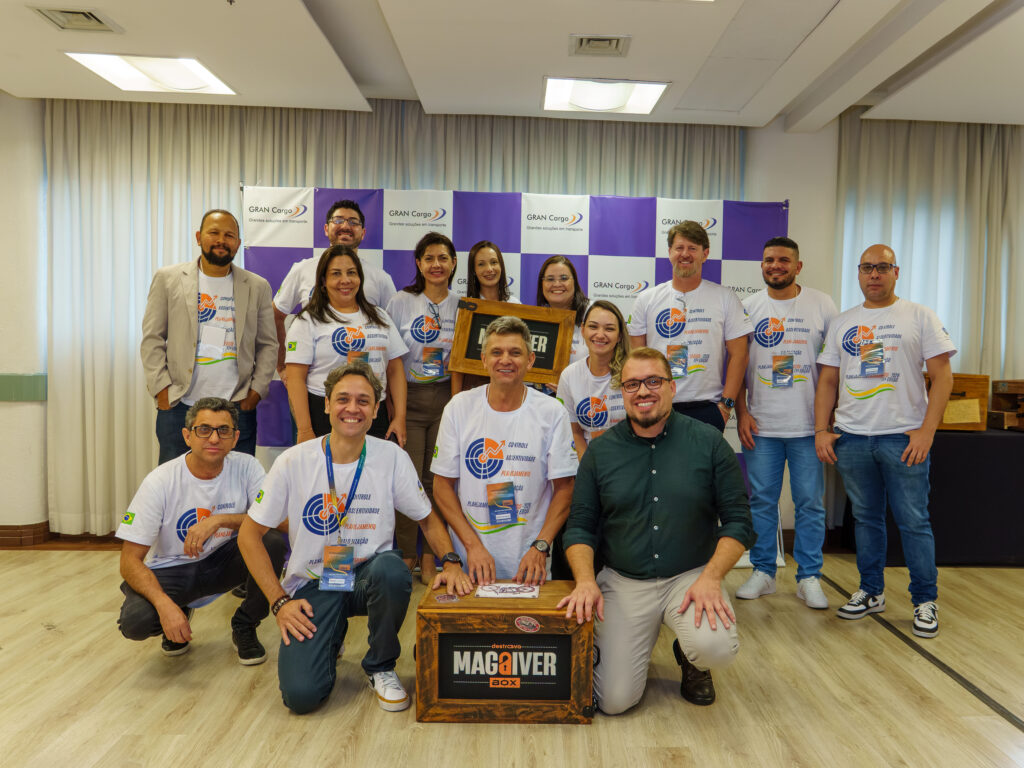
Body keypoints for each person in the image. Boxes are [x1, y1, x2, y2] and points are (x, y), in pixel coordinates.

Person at [238, 363, 473, 714]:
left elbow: (427, 519)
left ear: (376, 410)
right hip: (315, 581)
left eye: (363, 401)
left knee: (392, 570)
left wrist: (451, 562)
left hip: (367, 576)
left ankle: (381, 666)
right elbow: (249, 535)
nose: (353, 408)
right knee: (301, 697)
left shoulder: (391, 456)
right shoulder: (293, 461)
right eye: (343, 399)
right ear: (327, 405)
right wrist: (279, 602)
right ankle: (329, 639)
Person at [558, 348, 753, 714]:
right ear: (622, 392)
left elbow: (739, 520)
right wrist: (584, 581)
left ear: (671, 387)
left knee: (714, 648)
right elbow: (580, 526)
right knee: (614, 702)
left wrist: (712, 578)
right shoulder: (600, 452)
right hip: (625, 579)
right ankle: (635, 646)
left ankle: (691, 655)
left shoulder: (710, 442)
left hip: (690, 576)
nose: (643, 391)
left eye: (653, 381)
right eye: (632, 384)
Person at [815, 244, 954, 638]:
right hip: (852, 438)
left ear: (896, 272)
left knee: (914, 521)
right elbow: (827, 381)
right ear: (859, 274)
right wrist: (822, 429)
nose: (874, 274)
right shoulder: (843, 322)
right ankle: (871, 591)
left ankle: (924, 600)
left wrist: (927, 431)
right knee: (866, 519)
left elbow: (943, 377)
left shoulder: (920, 316)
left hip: (902, 439)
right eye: (866, 268)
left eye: (882, 267)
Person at [116, 397, 286, 663]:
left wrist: (219, 520)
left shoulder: (247, 466)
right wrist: (164, 605)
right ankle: (178, 611)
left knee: (272, 541)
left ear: (235, 437)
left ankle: (245, 624)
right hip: (174, 568)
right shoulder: (159, 481)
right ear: (187, 436)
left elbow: (275, 519)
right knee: (135, 623)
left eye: (223, 430)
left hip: (223, 560)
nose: (214, 438)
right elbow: (128, 561)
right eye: (204, 429)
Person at [431, 316, 579, 584]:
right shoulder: (459, 407)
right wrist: (472, 547)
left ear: (530, 360)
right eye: (496, 352)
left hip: (530, 566)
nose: (505, 360)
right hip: (470, 565)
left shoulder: (552, 412)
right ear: (484, 359)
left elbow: (565, 489)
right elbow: (442, 487)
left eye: (515, 353)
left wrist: (541, 546)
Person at [734, 237, 838, 609]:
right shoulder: (747, 307)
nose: (775, 266)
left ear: (798, 266)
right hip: (762, 426)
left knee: (810, 503)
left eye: (783, 260)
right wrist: (742, 413)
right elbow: (737, 366)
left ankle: (809, 577)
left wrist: (827, 424)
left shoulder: (822, 304)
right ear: (761, 265)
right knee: (762, 501)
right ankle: (763, 571)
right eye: (768, 260)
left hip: (809, 427)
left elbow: (834, 368)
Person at [141, 209, 277, 463]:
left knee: (236, 481)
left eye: (229, 235)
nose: (221, 240)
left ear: (238, 242)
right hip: (179, 405)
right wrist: (162, 391)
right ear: (198, 237)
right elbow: (152, 339)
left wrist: (254, 394)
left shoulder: (257, 286)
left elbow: (268, 345)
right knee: (176, 481)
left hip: (237, 406)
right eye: (213, 233)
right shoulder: (168, 279)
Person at [386, 232, 460, 584]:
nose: (436, 264)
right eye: (429, 258)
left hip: (445, 397)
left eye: (443, 258)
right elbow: (392, 359)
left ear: (453, 263)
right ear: (418, 263)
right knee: (408, 479)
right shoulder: (400, 301)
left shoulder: (463, 305)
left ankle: (432, 556)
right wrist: (396, 412)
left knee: (438, 480)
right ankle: (407, 552)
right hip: (408, 399)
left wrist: (455, 408)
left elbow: (460, 363)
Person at [627, 220, 750, 431]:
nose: (685, 254)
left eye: (692, 248)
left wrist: (726, 406)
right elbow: (637, 359)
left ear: (705, 254)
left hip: (707, 409)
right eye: (679, 248)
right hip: (657, 406)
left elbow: (740, 355)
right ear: (669, 252)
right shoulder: (646, 300)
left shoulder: (725, 298)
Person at [284, 245, 408, 446]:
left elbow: (395, 368)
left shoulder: (380, 316)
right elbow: (295, 377)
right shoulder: (307, 320)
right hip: (324, 413)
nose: (345, 280)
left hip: (374, 412)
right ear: (323, 281)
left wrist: (400, 417)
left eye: (351, 272)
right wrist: (305, 429)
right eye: (336, 274)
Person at [273, 199, 397, 372]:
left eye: (353, 222)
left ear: (363, 233)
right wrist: (281, 365)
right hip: (313, 378)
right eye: (338, 220)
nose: (345, 226)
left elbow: (391, 331)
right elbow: (275, 315)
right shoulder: (302, 270)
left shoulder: (381, 278)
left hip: (364, 378)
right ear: (326, 229)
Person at [556, 300, 631, 458]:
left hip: (630, 459)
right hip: (589, 460)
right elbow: (575, 432)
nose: (600, 334)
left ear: (619, 336)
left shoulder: (632, 372)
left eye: (609, 329)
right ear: (583, 330)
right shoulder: (569, 376)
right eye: (593, 326)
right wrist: (588, 466)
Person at [451, 240, 520, 394]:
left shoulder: (515, 306)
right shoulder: (466, 309)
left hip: (509, 385)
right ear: (474, 271)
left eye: (494, 262)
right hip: (474, 387)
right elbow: (457, 361)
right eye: (481, 264)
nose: (489, 269)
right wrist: (455, 400)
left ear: (501, 266)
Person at [536, 255, 588, 364]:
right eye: (550, 279)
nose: (557, 284)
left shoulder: (593, 313)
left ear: (574, 282)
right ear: (542, 285)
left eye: (564, 278)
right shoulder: (537, 322)